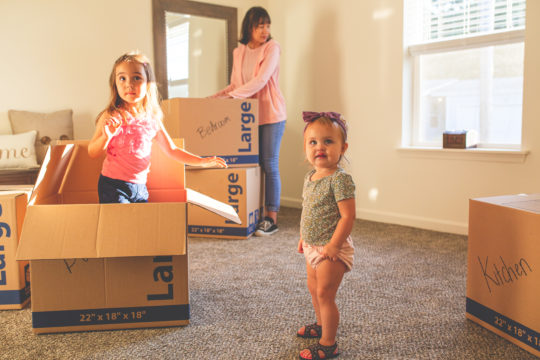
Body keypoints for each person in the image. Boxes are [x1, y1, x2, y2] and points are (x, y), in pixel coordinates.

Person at [89, 51, 227, 204]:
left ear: (148, 83)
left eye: (136, 78)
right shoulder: (111, 116)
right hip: (113, 186)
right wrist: (106, 137)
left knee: (140, 226)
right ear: (114, 83)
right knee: (122, 224)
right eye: (122, 78)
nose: (129, 84)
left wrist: (201, 161)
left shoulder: (152, 118)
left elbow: (172, 150)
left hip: (140, 188)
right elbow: (92, 152)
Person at [210, 6, 286, 236]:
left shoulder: (272, 48)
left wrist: (233, 96)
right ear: (249, 27)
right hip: (247, 115)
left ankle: (270, 218)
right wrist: (215, 98)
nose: (265, 30)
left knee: (269, 163)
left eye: (267, 25)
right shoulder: (239, 51)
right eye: (260, 25)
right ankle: (254, 213)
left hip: (271, 114)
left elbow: (261, 80)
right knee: (252, 166)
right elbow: (235, 85)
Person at [296, 111, 356, 360]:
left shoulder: (340, 180)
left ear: (343, 147)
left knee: (325, 293)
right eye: (313, 142)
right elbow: (308, 209)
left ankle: (328, 344)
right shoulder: (310, 177)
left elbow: (347, 217)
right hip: (312, 245)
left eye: (328, 141)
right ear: (305, 147)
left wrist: (333, 245)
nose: (319, 147)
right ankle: (321, 325)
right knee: (313, 288)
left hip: (333, 248)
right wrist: (303, 237)